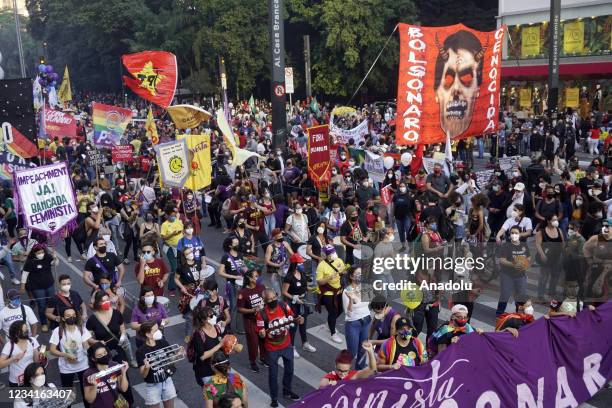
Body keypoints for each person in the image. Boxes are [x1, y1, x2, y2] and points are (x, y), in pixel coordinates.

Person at [256, 289, 302, 407]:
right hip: (271, 349)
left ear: (277, 296)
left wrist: (299, 319)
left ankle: (287, 391)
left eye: (274, 298)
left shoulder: (284, 305)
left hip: (286, 345)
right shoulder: (261, 314)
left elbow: (292, 317)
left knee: (290, 370)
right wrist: (262, 333)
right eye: (269, 299)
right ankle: (274, 398)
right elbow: (260, 332)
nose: (272, 301)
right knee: (273, 374)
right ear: (265, 301)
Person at [48, 307, 91, 407]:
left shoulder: (81, 329)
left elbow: (86, 345)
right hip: (66, 367)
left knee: (86, 390)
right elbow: (52, 350)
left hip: (83, 365)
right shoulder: (58, 331)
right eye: (68, 316)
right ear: (63, 318)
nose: (72, 317)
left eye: (73, 315)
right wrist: (65, 354)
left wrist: (93, 355)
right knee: (67, 393)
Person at [135, 321, 178, 408]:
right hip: (153, 385)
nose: (159, 332)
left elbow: (172, 362)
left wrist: (177, 356)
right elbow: (144, 375)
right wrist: (147, 368)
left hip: (167, 380)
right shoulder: (140, 351)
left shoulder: (163, 343)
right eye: (155, 330)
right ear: (148, 334)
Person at [281, 253, 316, 358]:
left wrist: (313, 289)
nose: (302, 264)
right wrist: (294, 298)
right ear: (294, 264)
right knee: (293, 326)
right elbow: (284, 292)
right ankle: (291, 347)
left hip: (303, 301)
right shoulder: (289, 277)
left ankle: (305, 343)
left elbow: (305, 287)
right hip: (293, 304)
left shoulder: (301, 272)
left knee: (303, 324)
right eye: (300, 263)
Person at [20, 244, 59, 332]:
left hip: (49, 285)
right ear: (34, 253)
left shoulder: (48, 257)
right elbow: (25, 274)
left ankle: (53, 320)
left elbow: (55, 264)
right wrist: (22, 286)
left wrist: (55, 258)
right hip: (37, 287)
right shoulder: (30, 262)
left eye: (42, 252)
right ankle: (44, 323)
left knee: (52, 303)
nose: (41, 254)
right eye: (38, 253)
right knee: (42, 305)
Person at [176, 246, 208, 343]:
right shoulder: (181, 267)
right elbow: (176, 279)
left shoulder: (198, 264)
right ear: (184, 256)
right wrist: (182, 287)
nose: (191, 254)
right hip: (188, 292)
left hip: (199, 290)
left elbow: (202, 276)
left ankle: (202, 332)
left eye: (191, 252)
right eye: (188, 253)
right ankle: (188, 334)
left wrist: (202, 282)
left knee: (201, 312)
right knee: (189, 316)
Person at [496, 226, 530, 316]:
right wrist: (514, 264)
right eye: (512, 233)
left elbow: (529, 257)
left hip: (521, 275)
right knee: (505, 295)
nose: (514, 235)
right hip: (507, 275)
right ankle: (499, 314)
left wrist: (525, 264)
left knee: (521, 296)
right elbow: (502, 260)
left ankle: (519, 314)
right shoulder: (506, 246)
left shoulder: (524, 245)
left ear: (520, 233)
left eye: (516, 233)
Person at [316, 245, 346, 344]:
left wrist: (345, 272)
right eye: (330, 253)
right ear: (325, 255)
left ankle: (329, 323)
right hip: (327, 293)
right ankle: (333, 333)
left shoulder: (339, 260)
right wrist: (329, 278)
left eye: (333, 252)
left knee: (341, 309)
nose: (333, 254)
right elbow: (320, 282)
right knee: (333, 312)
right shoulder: (321, 265)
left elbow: (342, 270)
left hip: (338, 290)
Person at [237, 270, 266, 372]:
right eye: (256, 276)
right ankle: (252, 362)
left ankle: (263, 358)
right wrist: (252, 310)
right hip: (250, 321)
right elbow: (239, 309)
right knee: (253, 343)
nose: (258, 278)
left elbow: (266, 299)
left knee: (263, 339)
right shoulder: (243, 292)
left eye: (258, 276)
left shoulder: (262, 287)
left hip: (262, 320)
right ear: (249, 278)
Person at [83, 342, 129, 408]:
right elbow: (90, 400)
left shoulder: (114, 366)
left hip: (116, 405)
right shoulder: (88, 374)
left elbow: (124, 389)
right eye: (99, 355)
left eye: (105, 353)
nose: (104, 356)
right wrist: (95, 385)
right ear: (93, 359)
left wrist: (124, 373)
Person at [342, 267, 371, 369]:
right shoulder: (347, 291)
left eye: (361, 273)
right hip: (353, 324)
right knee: (352, 352)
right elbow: (348, 314)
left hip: (366, 322)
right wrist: (350, 300)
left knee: (363, 350)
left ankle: (359, 373)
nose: (360, 276)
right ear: (351, 276)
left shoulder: (365, 287)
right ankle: (343, 371)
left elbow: (369, 305)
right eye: (357, 274)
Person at [218, 237, 248, 331]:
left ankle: (239, 325)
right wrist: (235, 277)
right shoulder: (226, 257)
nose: (238, 245)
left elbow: (243, 266)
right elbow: (220, 272)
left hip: (241, 284)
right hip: (231, 284)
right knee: (233, 305)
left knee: (241, 304)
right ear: (230, 245)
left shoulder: (240, 254)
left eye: (238, 242)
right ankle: (230, 327)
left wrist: (246, 268)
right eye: (235, 243)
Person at [0, 321, 41, 386]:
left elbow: (36, 361)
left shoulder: (32, 341)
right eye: (25, 332)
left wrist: (39, 354)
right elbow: (1, 364)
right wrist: (13, 358)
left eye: (27, 330)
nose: (27, 333)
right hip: (16, 381)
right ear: (16, 334)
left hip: (31, 377)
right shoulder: (9, 345)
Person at [190, 306, 223, 386]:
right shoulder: (198, 335)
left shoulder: (217, 328)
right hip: (207, 373)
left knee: (231, 391)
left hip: (221, 368)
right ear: (204, 320)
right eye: (211, 316)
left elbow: (222, 347)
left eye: (214, 314)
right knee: (213, 397)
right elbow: (202, 356)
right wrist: (219, 345)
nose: (214, 317)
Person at [535, 214, 564, 300]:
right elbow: (538, 244)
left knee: (555, 276)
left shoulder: (559, 230)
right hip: (546, 258)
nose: (556, 221)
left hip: (557, 257)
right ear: (548, 221)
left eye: (556, 219)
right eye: (553, 220)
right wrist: (542, 254)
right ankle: (540, 295)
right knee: (544, 276)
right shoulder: (541, 231)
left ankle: (552, 292)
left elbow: (562, 243)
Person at [161, 206, 184, 297]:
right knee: (174, 268)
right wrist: (172, 234)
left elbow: (182, 231)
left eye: (174, 215)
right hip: (170, 248)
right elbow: (163, 238)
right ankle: (171, 288)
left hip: (180, 248)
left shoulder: (178, 221)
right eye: (171, 215)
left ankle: (180, 283)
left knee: (181, 266)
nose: (173, 217)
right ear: (167, 215)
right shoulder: (164, 225)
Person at [264, 228, 293, 295]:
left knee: (286, 290)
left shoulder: (285, 243)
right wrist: (277, 265)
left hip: (285, 269)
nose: (281, 237)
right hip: (275, 271)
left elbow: (292, 253)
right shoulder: (270, 247)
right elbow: (267, 261)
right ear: (274, 237)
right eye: (279, 236)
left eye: (281, 235)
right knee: (278, 292)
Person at [393, 182, 415, 252]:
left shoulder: (410, 196)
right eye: (401, 186)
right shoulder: (396, 196)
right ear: (399, 188)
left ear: (406, 187)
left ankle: (410, 247)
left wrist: (412, 217)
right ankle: (403, 246)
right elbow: (394, 206)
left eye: (403, 186)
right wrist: (393, 215)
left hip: (407, 217)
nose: (402, 188)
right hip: (398, 217)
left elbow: (413, 208)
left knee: (408, 232)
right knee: (400, 232)